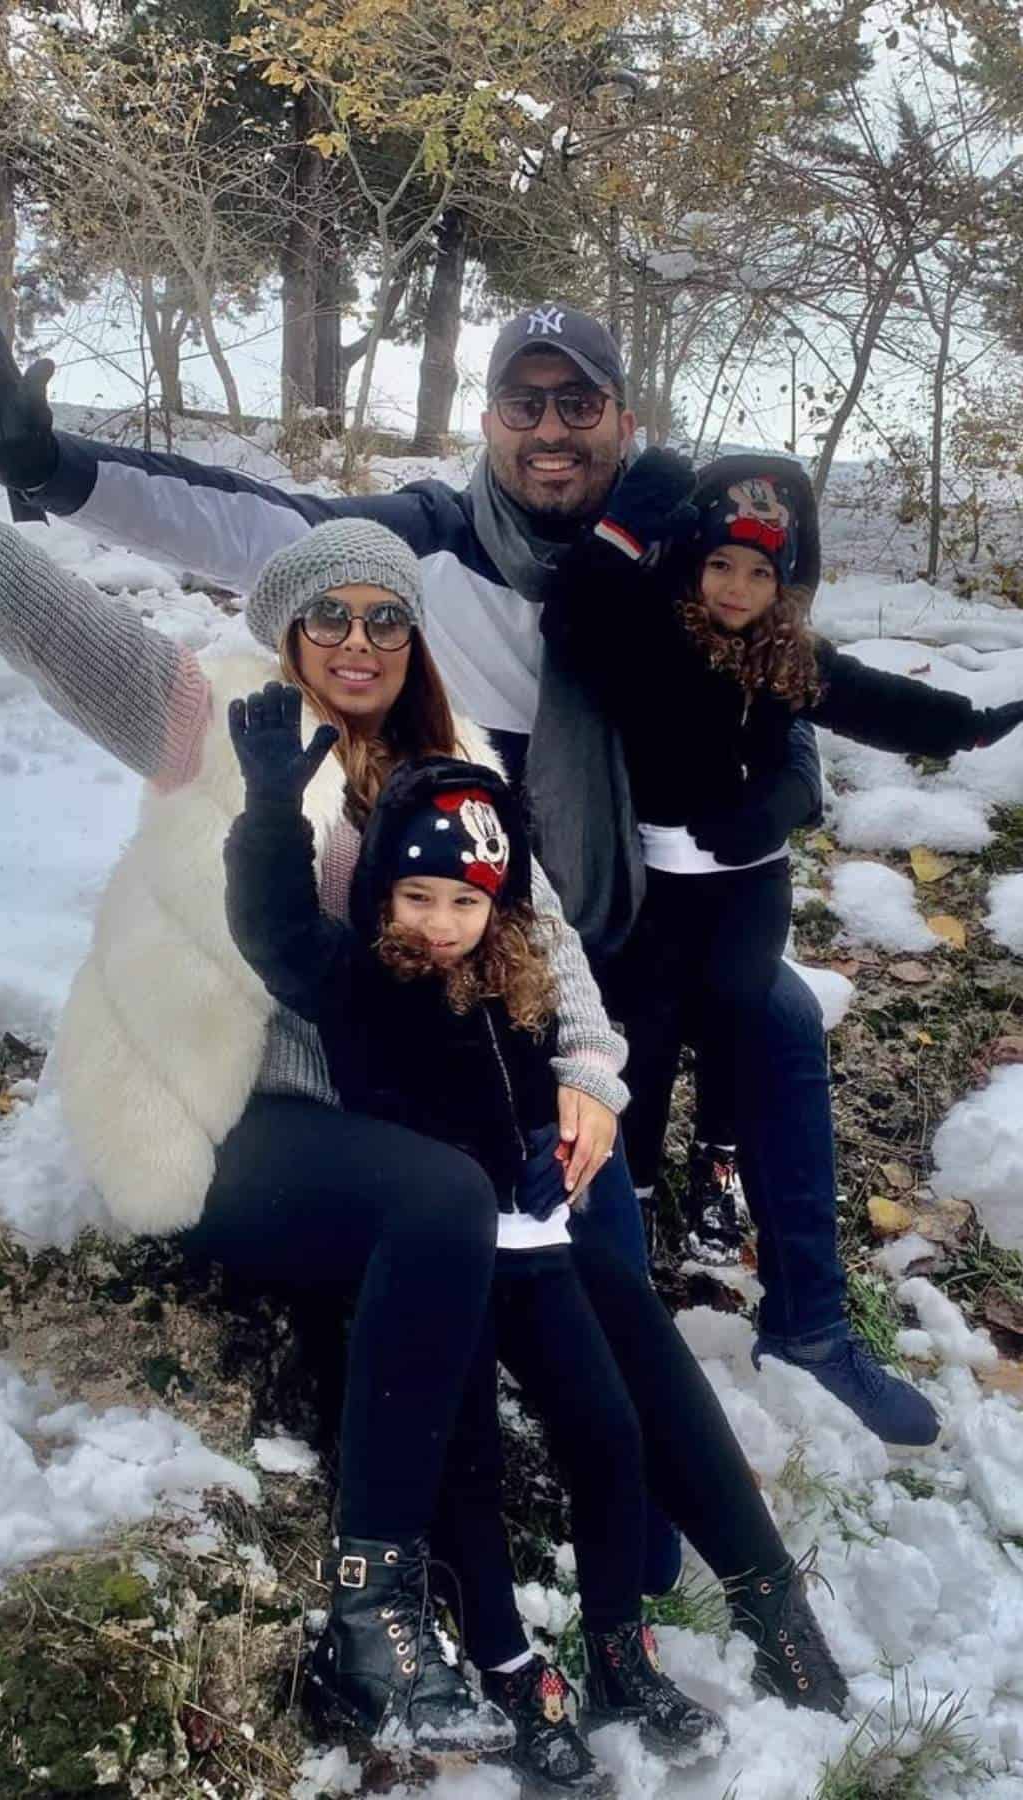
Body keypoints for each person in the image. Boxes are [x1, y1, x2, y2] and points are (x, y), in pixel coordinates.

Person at [0, 293, 931, 1443]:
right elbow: (254, 526)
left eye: (578, 403)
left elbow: (781, 671)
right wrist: (47, 462)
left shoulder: (674, 559)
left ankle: (812, 1327)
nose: (551, 430)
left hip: (632, 909)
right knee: (538, 1126)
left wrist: (789, 788)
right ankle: (574, 1365)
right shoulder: (429, 546)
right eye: (524, 403)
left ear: (622, 420)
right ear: (487, 420)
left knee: (775, 1014)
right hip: (472, 920)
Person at [222, 701, 847, 1783]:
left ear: (497, 903)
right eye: (414, 897)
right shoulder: (363, 979)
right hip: (446, 1260)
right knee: (462, 1464)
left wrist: (565, 1126)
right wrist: (269, 808)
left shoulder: (514, 973)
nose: (436, 923)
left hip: (537, 1244)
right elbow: (277, 927)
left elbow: (584, 1032)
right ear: (380, 895)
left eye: (461, 901)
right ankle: (514, 1675)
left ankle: (617, 1654)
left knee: (606, 1436)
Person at [545, 454, 1023, 1429]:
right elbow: (577, 618)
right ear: (694, 561)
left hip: (749, 885)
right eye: (723, 566)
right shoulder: (652, 632)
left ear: (787, 585)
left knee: (742, 1009)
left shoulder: (785, 656)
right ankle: (627, 1206)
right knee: (642, 1023)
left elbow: (866, 697)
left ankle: (719, 1168)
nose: (738, 591)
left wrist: (968, 727)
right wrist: (624, 527)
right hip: (652, 886)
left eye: (763, 575)